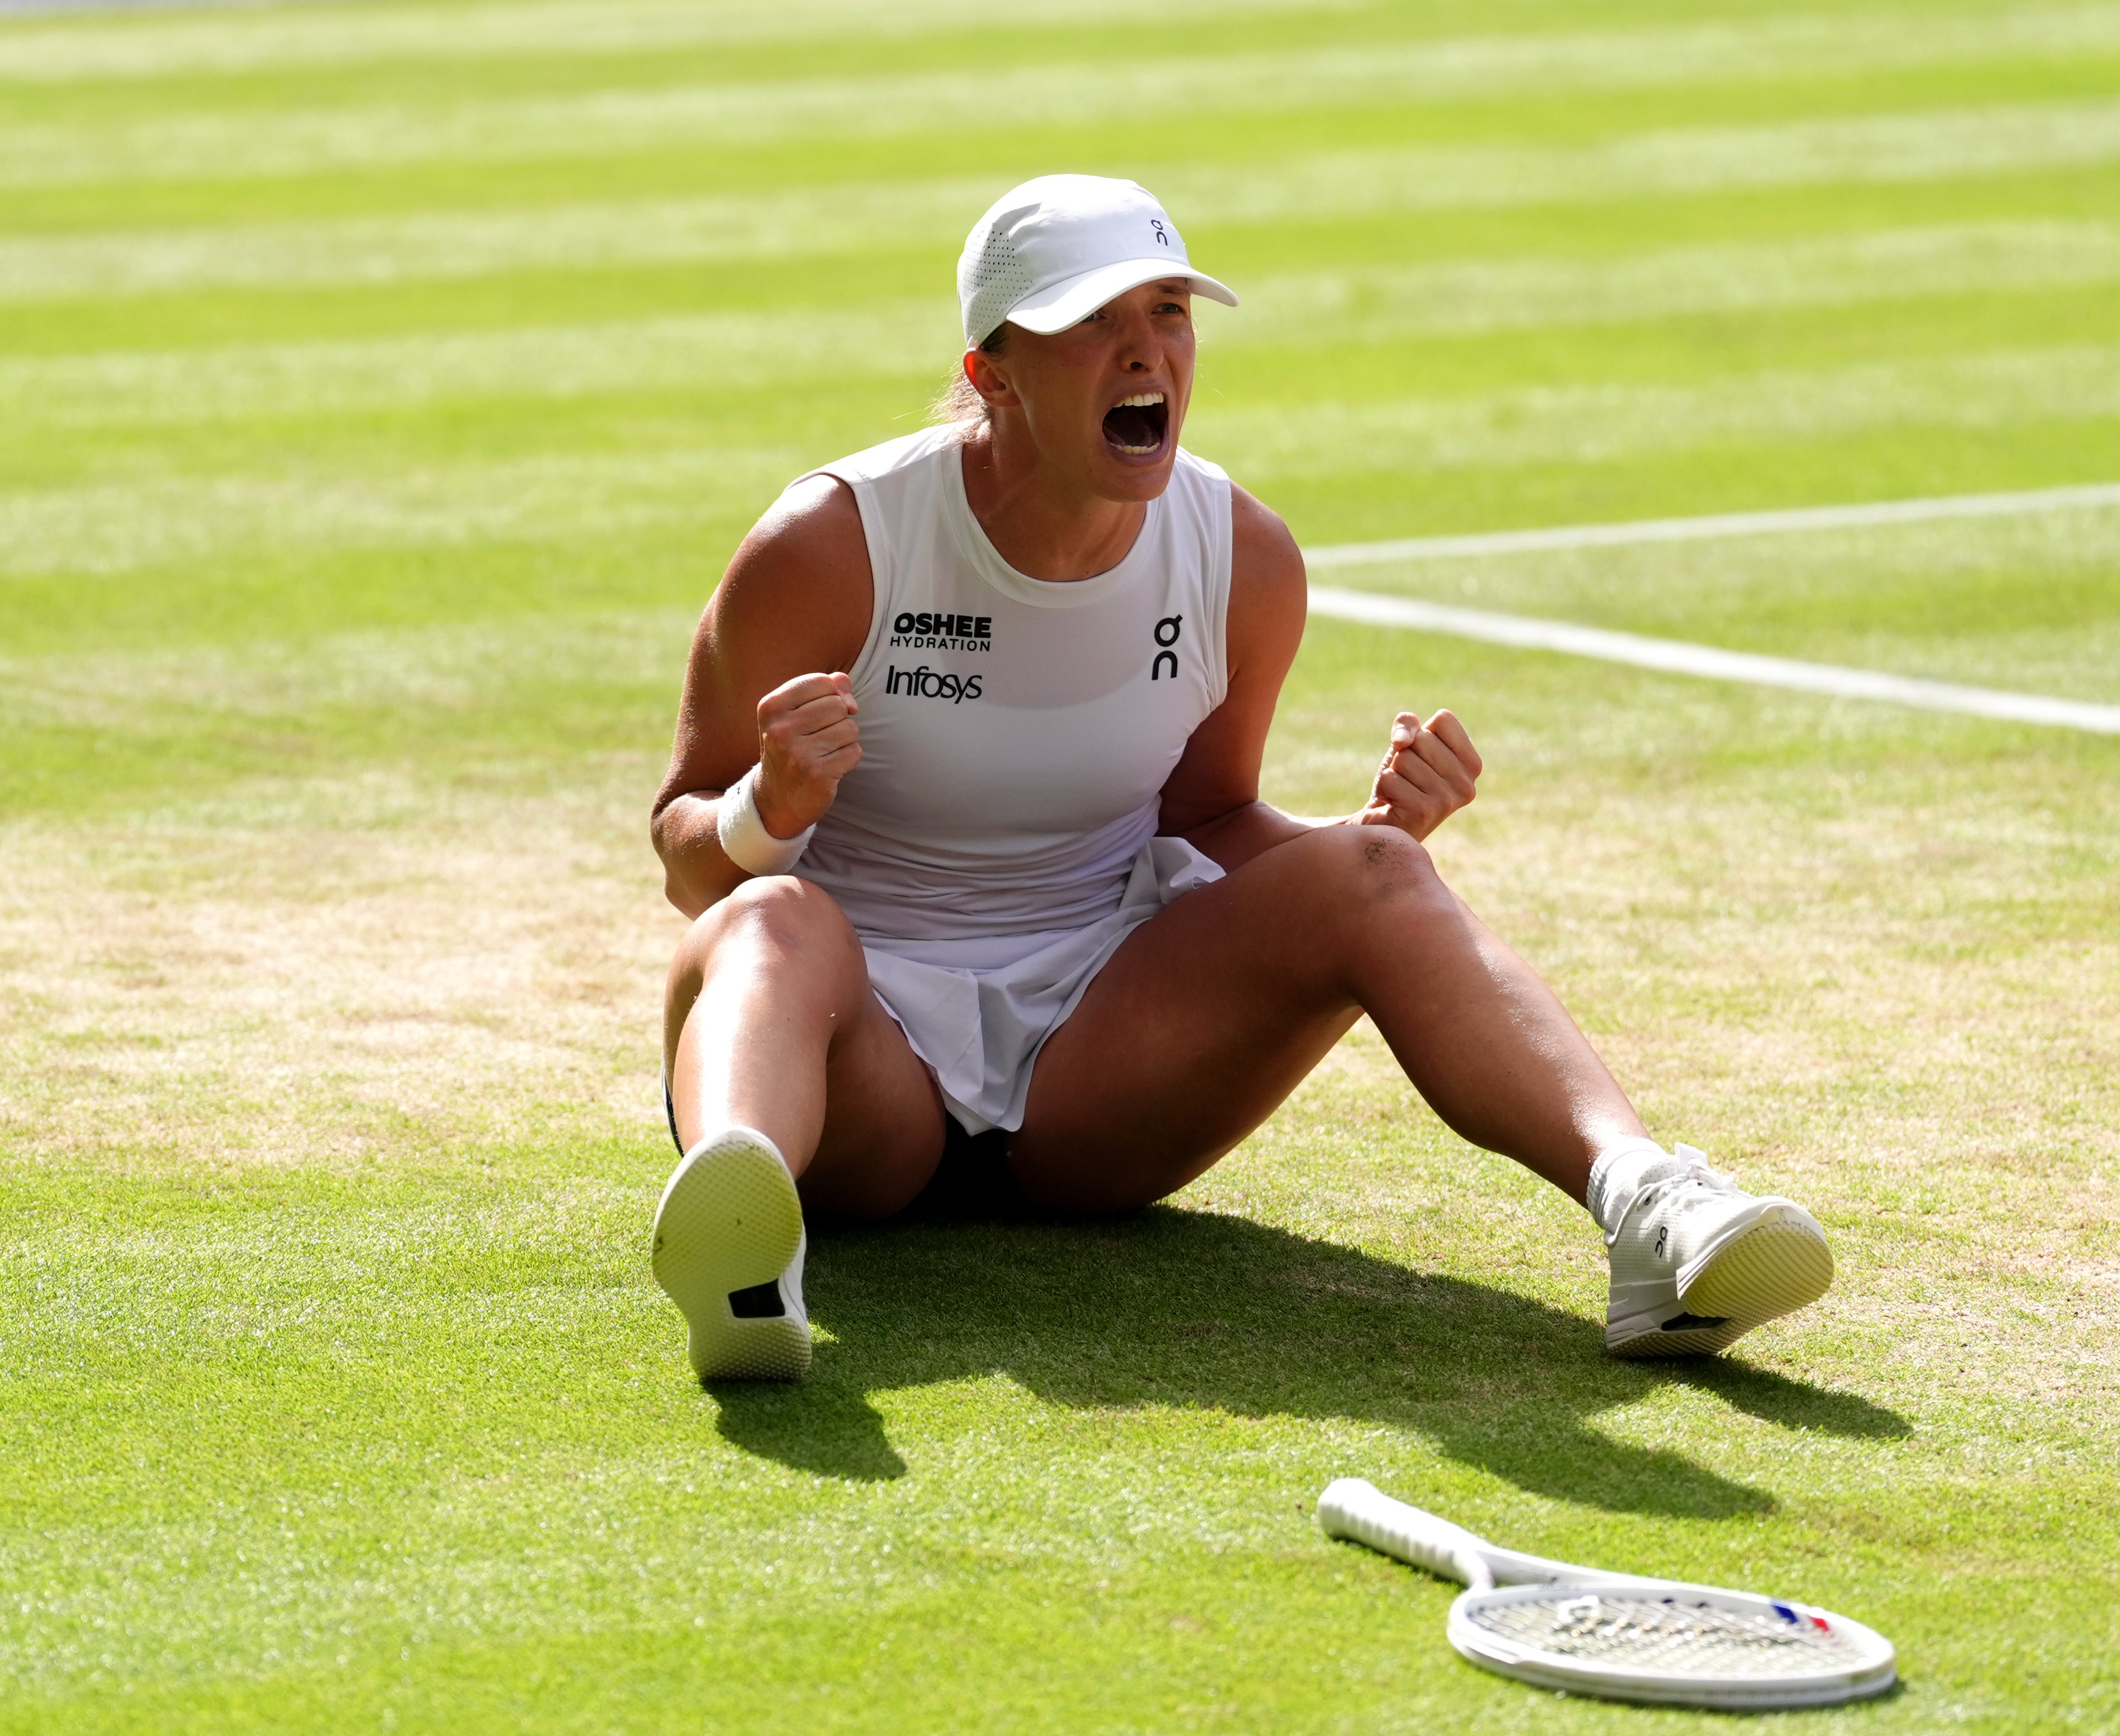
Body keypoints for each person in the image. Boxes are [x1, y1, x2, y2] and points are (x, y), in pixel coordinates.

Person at [645, 175, 1833, 1381]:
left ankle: (1650, 1209)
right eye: (1093, 320)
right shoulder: (833, 541)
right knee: (769, 917)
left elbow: (1205, 817)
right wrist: (767, 809)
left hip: (1096, 1070)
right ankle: (745, 1247)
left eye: (1166, 311)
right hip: (855, 1064)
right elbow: (688, 860)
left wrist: (1360, 842)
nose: (1144, 351)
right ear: (992, 374)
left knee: (1375, 871)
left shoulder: (1239, 558)